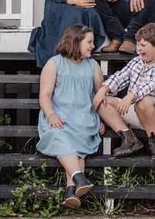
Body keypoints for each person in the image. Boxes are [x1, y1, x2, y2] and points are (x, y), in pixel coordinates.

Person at [37, 24, 105, 209]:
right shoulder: (54, 63)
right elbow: (44, 95)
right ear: (76, 42)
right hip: (58, 115)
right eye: (89, 42)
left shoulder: (93, 66)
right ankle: (78, 179)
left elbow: (100, 97)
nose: (93, 46)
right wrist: (50, 114)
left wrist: (102, 120)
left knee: (76, 142)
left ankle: (71, 189)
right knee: (61, 135)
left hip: (84, 117)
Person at [93, 23, 155, 161]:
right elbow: (120, 76)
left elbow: (152, 85)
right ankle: (130, 140)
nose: (138, 48)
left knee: (144, 100)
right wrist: (103, 89)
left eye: (143, 45)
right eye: (138, 44)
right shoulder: (137, 62)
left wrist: (131, 95)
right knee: (102, 100)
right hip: (133, 110)